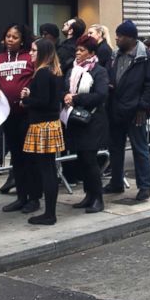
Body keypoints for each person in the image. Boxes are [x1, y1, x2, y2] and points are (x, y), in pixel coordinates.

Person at [105, 20, 150, 201]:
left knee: (139, 148)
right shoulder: (115, 56)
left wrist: (143, 106)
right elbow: (109, 75)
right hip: (116, 108)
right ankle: (116, 182)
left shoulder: (146, 57)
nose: (116, 38)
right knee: (115, 148)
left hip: (135, 110)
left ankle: (144, 186)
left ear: (129, 38)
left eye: (120, 36)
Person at [20, 39, 66, 225]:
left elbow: (44, 101)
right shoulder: (53, 72)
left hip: (43, 124)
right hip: (50, 123)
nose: (30, 53)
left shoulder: (42, 73)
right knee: (48, 169)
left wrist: (27, 100)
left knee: (46, 170)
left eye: (33, 50)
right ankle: (49, 212)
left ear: (42, 53)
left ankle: (49, 214)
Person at [0, 24, 36, 206]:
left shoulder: (29, 57)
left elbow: (36, 78)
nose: (10, 40)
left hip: (26, 114)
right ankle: (21, 197)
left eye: (14, 37)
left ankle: (33, 198)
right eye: (8, 36)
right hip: (7, 115)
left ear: (22, 40)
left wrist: (30, 90)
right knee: (16, 157)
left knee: (29, 158)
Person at [63, 35, 109, 214]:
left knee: (90, 160)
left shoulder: (99, 71)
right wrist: (65, 96)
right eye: (77, 50)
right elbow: (65, 88)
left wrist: (76, 98)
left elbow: (100, 95)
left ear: (91, 52)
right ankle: (88, 195)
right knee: (81, 159)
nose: (78, 53)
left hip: (92, 121)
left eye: (82, 50)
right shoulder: (72, 70)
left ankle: (98, 197)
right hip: (75, 120)